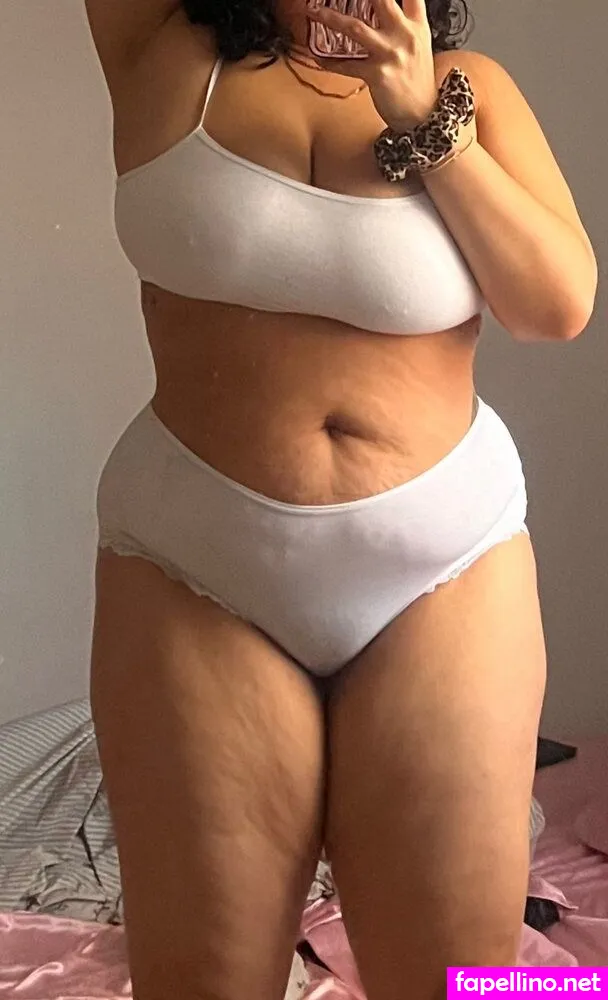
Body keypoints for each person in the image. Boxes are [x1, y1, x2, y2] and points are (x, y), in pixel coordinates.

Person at [84, 1, 597, 998]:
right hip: (194, 564)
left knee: (457, 979)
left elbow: (555, 306)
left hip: (444, 567)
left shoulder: (472, 89)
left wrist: (426, 121)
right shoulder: (159, 46)